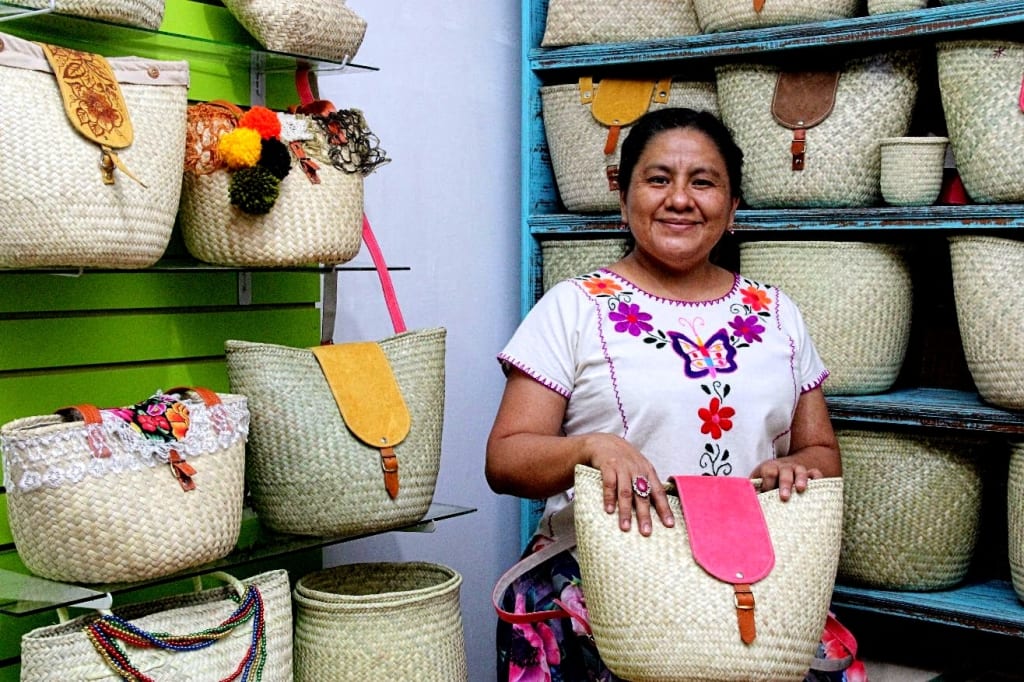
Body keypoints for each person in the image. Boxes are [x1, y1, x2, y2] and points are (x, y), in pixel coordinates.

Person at [486, 107, 843, 681]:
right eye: (658, 179)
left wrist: (799, 468)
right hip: (602, 588)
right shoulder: (576, 308)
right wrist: (591, 448)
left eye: (703, 182)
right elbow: (505, 460)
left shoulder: (776, 314)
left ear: (732, 209)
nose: (680, 199)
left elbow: (822, 454)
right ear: (624, 198)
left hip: (744, 586)